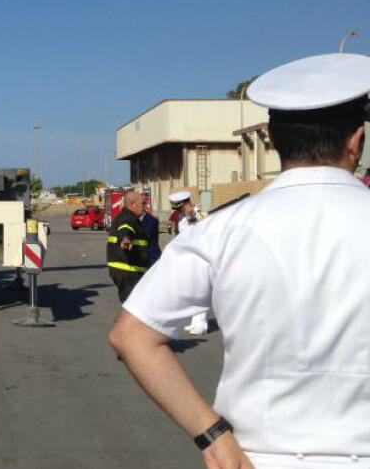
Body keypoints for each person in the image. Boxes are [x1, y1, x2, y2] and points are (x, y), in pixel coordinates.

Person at [108, 53, 370, 469]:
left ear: (271, 140)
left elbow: (132, 335)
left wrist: (213, 437)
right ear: (356, 140)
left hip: (253, 457)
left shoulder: (220, 232)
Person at [169, 190, 208, 335]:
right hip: (187, 256)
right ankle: (195, 321)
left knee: (200, 290)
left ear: (185, 204)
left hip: (198, 257)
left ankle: (201, 323)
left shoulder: (197, 213)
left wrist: (191, 216)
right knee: (192, 290)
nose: (179, 210)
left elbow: (196, 232)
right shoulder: (180, 215)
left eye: (180, 207)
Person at [106, 190, 151, 302]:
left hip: (129, 270)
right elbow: (125, 229)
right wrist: (126, 239)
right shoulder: (127, 218)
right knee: (133, 308)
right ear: (132, 204)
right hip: (128, 272)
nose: (145, 206)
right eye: (142, 203)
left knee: (134, 307)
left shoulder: (130, 217)